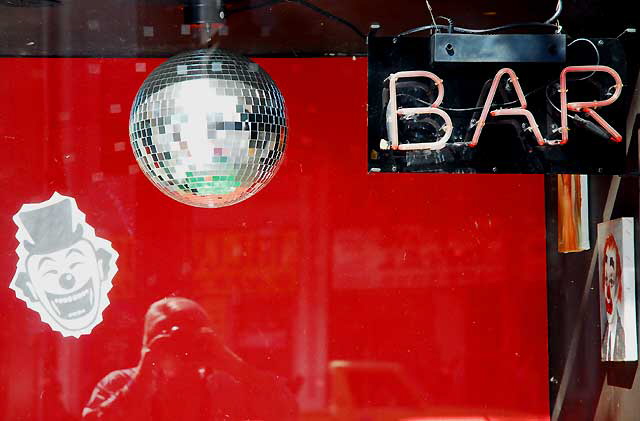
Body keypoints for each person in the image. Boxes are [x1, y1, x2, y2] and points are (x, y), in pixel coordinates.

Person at [82, 297, 298, 420]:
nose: (178, 345)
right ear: (147, 341)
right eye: (164, 334)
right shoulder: (118, 384)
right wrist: (143, 376)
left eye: (188, 335)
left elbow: (287, 413)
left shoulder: (227, 386)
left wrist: (229, 362)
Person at [601, 234, 626, 360]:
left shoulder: (622, 337)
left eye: (611, 281)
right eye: (605, 280)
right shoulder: (605, 337)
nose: (607, 294)